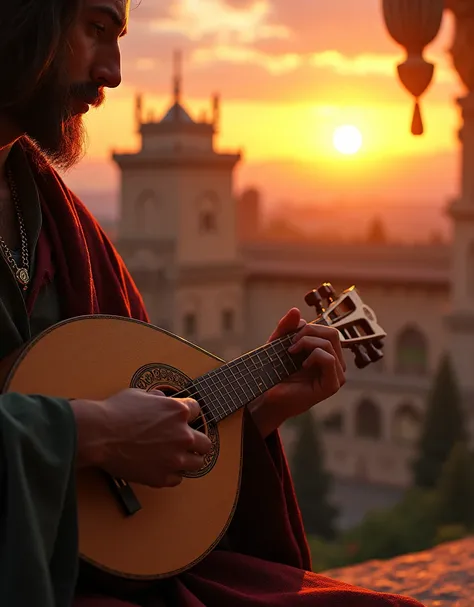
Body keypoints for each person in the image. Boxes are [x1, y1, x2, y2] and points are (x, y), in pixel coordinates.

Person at [0, 1, 425, 606]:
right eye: (96, 29)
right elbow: (104, 427)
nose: (114, 72)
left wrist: (253, 416)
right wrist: (89, 431)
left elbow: (129, 459)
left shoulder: (60, 220)